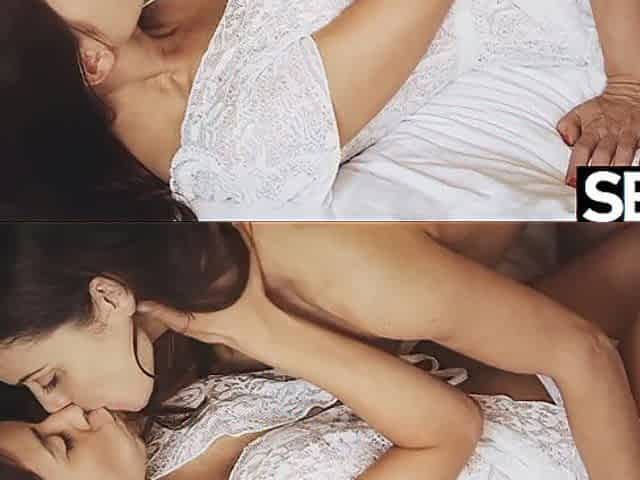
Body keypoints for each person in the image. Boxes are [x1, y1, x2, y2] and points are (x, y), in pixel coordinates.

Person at [0, 223, 639, 479]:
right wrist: (258, 330)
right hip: (574, 441)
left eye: (46, 389)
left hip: (510, 369)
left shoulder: (153, 417)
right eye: (61, 444)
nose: (66, 411)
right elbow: (449, 430)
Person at [4, 0, 640, 219]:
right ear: (90, 60)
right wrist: (628, 86)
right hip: (563, 52)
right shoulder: (238, 144)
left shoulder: (154, 18)